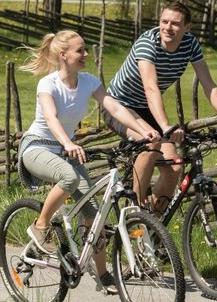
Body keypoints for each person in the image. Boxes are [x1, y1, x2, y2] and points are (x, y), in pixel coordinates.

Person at [17, 30, 158, 293]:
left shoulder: (89, 81)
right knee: (68, 177)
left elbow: (114, 108)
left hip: (64, 152)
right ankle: (40, 226)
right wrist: (68, 143)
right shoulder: (48, 84)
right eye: (80, 50)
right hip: (37, 147)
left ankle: (102, 274)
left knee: (95, 214)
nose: (85, 55)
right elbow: (51, 119)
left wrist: (142, 132)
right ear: (64, 55)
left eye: (85, 49)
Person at [103, 1, 217, 213]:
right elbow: (151, 87)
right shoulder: (148, 43)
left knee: (175, 166)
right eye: (164, 21)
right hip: (119, 106)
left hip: (146, 109)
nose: (167, 27)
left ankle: (153, 229)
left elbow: (209, 85)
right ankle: (135, 214)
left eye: (175, 24)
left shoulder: (190, 44)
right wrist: (166, 126)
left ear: (187, 27)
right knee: (149, 145)